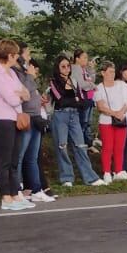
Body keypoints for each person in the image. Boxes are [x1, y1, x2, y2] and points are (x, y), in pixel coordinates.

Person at [0, 38, 35, 213]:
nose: (17, 59)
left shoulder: (12, 73)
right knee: (4, 159)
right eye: (15, 55)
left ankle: (15, 193)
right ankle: (5, 196)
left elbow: (25, 93)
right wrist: (20, 95)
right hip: (3, 119)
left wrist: (21, 94)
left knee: (15, 159)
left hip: (16, 118)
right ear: (9, 55)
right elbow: (12, 98)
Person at [48, 57, 105, 188]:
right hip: (60, 115)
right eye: (63, 66)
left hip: (74, 115)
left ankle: (90, 177)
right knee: (62, 146)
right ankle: (66, 177)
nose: (67, 68)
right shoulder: (53, 82)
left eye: (68, 66)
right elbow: (60, 100)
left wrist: (77, 101)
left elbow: (82, 100)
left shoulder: (73, 80)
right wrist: (77, 100)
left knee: (80, 145)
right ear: (57, 68)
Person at [17, 58, 55, 203]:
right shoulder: (19, 74)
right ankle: (18, 189)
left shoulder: (28, 75)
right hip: (26, 117)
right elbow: (23, 92)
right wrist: (30, 76)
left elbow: (32, 94)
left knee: (33, 157)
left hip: (36, 117)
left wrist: (40, 100)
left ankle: (35, 189)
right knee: (20, 156)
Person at [93, 61, 127, 183]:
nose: (112, 74)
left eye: (113, 72)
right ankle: (106, 172)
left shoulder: (122, 85)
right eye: (109, 72)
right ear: (103, 73)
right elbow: (101, 106)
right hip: (106, 121)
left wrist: (121, 112)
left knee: (119, 147)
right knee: (108, 147)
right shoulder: (98, 88)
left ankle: (119, 171)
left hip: (121, 120)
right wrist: (114, 113)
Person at [72, 49, 97, 146]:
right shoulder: (75, 68)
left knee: (87, 123)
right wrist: (93, 86)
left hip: (89, 99)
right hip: (82, 100)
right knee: (83, 122)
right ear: (77, 58)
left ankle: (87, 143)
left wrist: (91, 70)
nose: (86, 60)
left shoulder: (84, 69)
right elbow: (81, 84)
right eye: (84, 58)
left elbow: (92, 80)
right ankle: (79, 143)